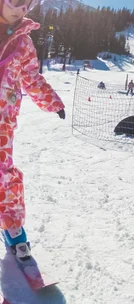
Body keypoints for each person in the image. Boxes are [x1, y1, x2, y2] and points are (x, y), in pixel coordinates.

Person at [0, 0, 66, 261]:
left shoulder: (23, 43)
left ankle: (13, 227)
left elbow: (32, 78)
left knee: (4, 173)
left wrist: (53, 102)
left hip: (2, 121)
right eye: (16, 2)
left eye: (27, 6)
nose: (20, 10)